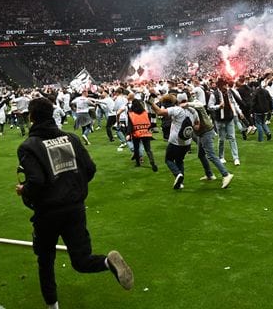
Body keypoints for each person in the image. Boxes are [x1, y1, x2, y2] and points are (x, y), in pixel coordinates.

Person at [15, 97, 133, 309]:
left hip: (48, 213)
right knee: (81, 260)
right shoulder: (71, 138)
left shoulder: (29, 146)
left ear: (31, 117)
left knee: (46, 261)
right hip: (74, 208)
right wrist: (73, 187)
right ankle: (108, 262)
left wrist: (24, 190)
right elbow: (90, 169)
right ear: (52, 114)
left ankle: (53, 306)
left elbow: (36, 181)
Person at [149, 92, 199, 190]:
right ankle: (180, 182)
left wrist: (151, 103)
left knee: (168, 159)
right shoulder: (193, 111)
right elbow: (197, 126)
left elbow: (159, 112)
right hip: (187, 142)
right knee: (180, 160)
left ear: (178, 100)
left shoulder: (177, 109)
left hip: (175, 141)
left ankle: (178, 174)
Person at [187, 98, 234, 188]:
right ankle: (209, 175)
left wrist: (187, 104)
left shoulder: (196, 107)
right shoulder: (189, 110)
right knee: (201, 155)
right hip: (202, 133)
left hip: (206, 132)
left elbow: (199, 105)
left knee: (211, 155)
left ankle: (226, 174)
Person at [126, 98, 158, 172]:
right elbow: (150, 123)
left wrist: (128, 134)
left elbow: (130, 125)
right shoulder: (145, 112)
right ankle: (152, 163)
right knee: (148, 149)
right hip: (145, 132)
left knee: (136, 149)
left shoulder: (131, 113)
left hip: (136, 133)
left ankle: (138, 163)